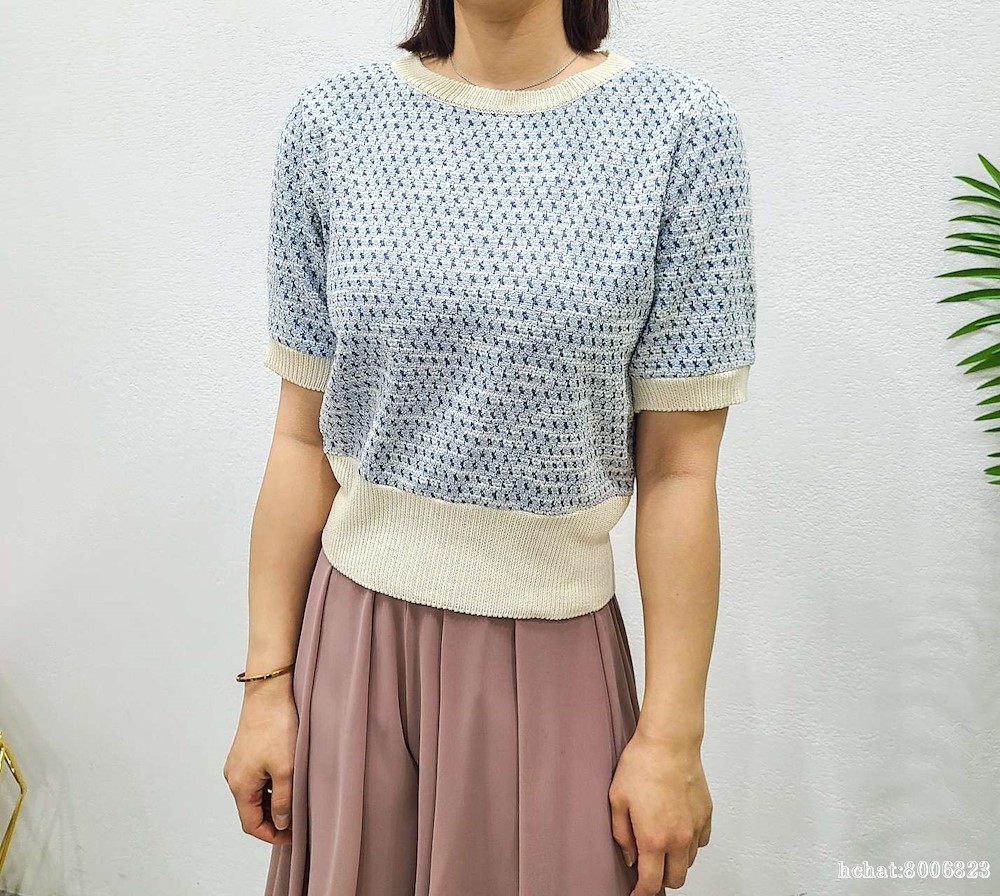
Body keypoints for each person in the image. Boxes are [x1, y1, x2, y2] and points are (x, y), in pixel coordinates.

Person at [222, 1, 757, 894]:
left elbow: (680, 470)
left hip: (555, 662)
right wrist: (266, 686)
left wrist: (672, 737)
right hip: (352, 656)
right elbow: (300, 437)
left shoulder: (679, 132)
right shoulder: (334, 123)